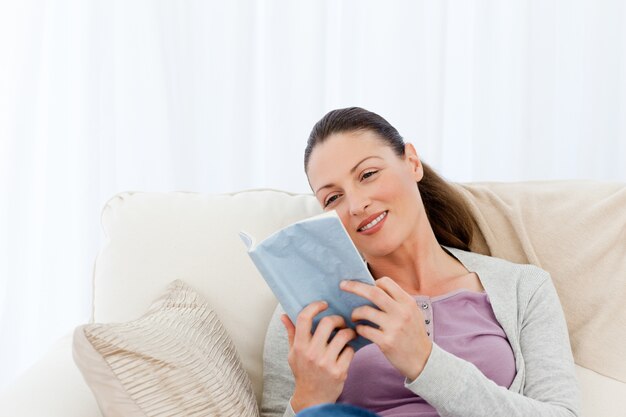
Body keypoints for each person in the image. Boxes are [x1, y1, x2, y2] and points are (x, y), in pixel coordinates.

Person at [260, 107, 580, 417]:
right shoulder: (306, 309)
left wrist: (424, 361)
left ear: (412, 162)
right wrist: (309, 397)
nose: (356, 204)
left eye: (368, 174)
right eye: (333, 198)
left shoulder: (523, 287)